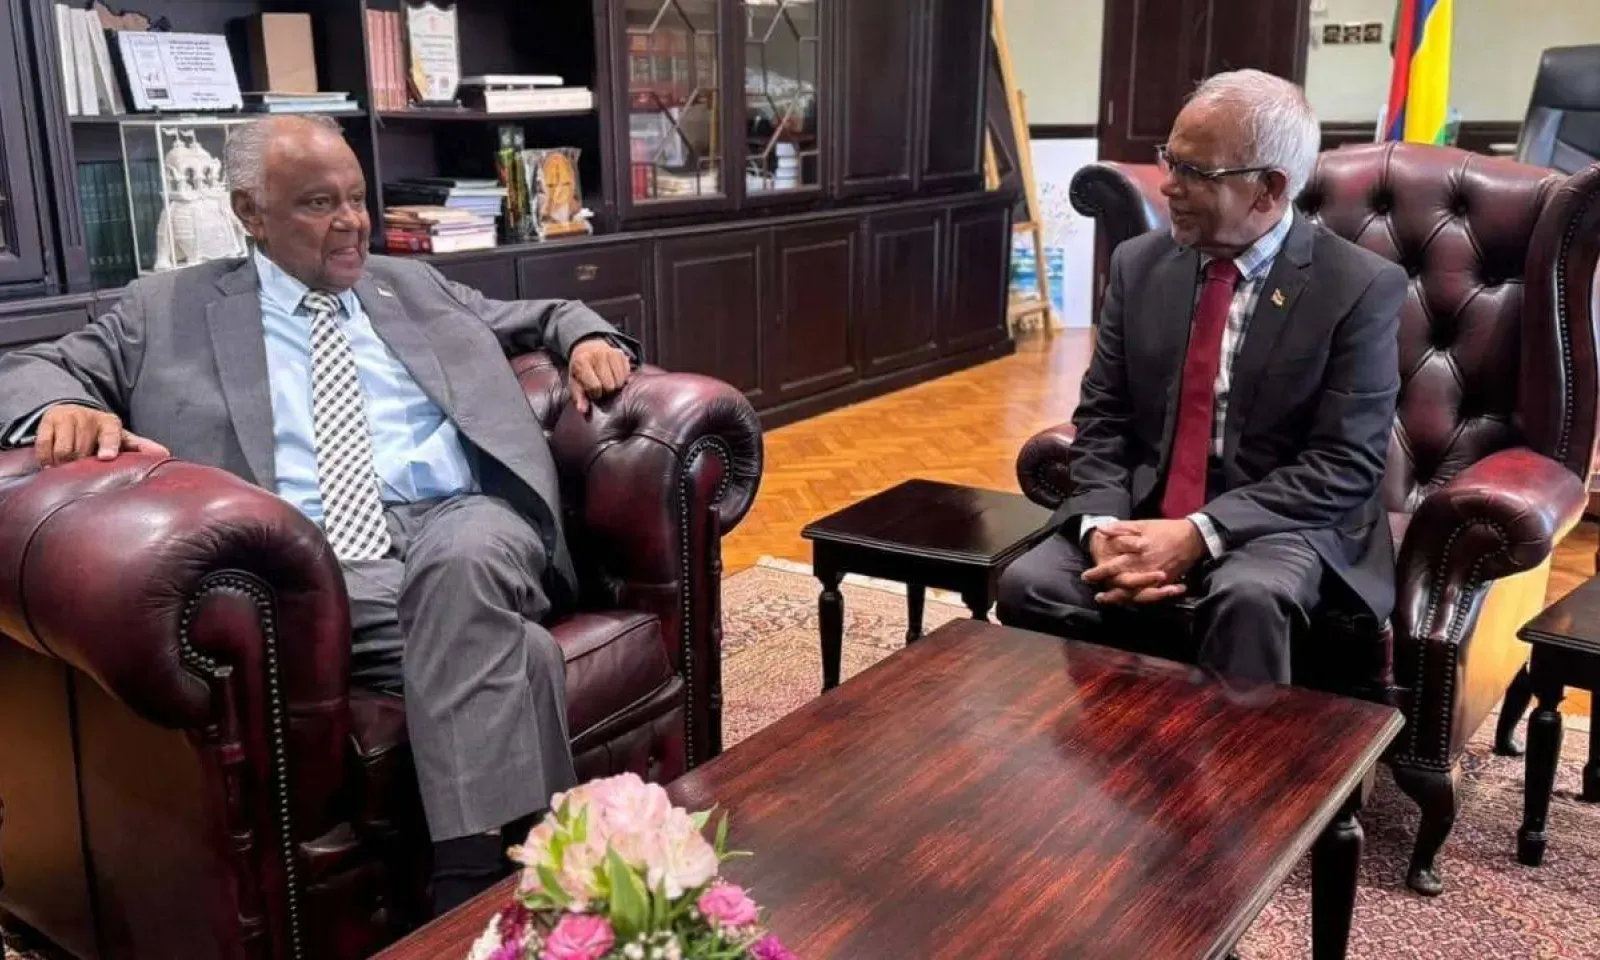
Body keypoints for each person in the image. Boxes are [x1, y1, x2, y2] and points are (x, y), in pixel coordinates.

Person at [0, 114, 638, 914]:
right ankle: (536, 871)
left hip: (462, 518)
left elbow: (543, 314)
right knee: (513, 648)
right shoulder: (164, 309)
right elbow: (29, 367)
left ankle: (465, 883)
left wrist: (587, 336)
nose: (352, 222)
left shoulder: (412, 283)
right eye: (318, 204)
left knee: (462, 562)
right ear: (250, 212)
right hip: (326, 565)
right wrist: (62, 406)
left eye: (357, 198)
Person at [996, 70, 1406, 685]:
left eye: (1194, 171)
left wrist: (1199, 534)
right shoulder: (1139, 265)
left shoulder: (1358, 287)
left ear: (1269, 188)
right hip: (1146, 502)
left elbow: (1345, 463)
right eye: (1170, 159)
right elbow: (1103, 417)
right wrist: (1102, 527)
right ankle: (1101, 740)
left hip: (1281, 521)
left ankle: (1241, 754)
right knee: (1030, 585)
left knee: (1249, 601)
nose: (1168, 184)